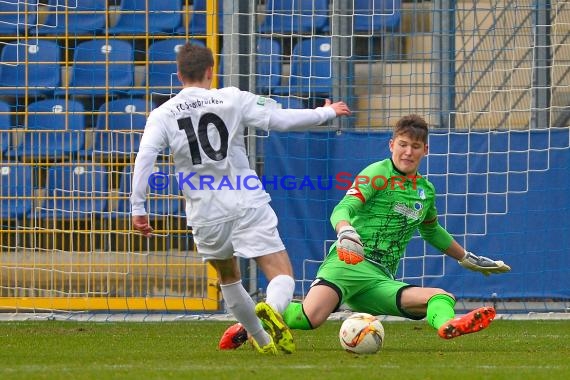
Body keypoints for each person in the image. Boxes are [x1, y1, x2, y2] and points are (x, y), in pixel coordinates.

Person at [130, 43, 351, 355]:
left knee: (228, 276)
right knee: (282, 273)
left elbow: (145, 158)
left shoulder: (162, 114)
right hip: (245, 200)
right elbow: (280, 119)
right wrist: (325, 112)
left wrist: (138, 208)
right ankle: (273, 308)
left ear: (179, 75)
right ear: (211, 70)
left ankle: (262, 340)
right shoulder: (232, 98)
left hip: (204, 212)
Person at [219, 114, 510, 349]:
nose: (408, 152)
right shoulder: (377, 173)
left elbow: (432, 231)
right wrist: (346, 232)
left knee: (440, 297)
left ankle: (448, 325)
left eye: (416, 146)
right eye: (403, 144)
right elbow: (342, 209)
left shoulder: (425, 191)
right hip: (348, 263)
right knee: (310, 318)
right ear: (392, 144)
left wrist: (466, 258)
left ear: (426, 150)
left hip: (379, 278)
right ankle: (249, 324)